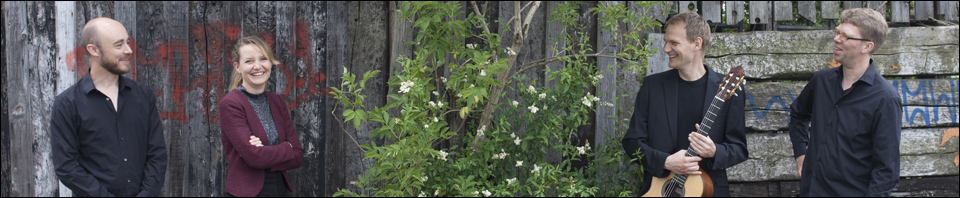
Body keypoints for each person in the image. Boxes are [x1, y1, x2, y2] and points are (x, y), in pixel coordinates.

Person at [621, 11, 747, 197]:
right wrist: (665, 161)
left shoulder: (727, 90)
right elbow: (632, 142)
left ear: (697, 43)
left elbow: (738, 149)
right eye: (666, 42)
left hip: (709, 190)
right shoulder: (652, 86)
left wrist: (714, 151)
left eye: (674, 43)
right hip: (659, 190)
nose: (665, 49)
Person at [789, 8, 901, 197]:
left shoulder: (885, 99)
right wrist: (801, 153)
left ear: (867, 46)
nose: (837, 39)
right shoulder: (821, 81)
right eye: (838, 32)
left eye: (846, 36)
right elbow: (798, 115)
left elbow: (886, 172)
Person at [50, 17, 167, 197]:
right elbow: (67, 166)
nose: (128, 50)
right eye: (118, 45)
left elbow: (156, 153)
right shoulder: (68, 104)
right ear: (93, 50)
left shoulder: (142, 95)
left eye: (127, 42)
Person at [219, 36, 304, 197]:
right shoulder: (231, 104)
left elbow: (298, 155)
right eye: (249, 61)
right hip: (247, 193)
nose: (257, 66)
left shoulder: (277, 101)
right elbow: (254, 157)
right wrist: (286, 148)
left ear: (270, 62)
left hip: (279, 190)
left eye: (263, 59)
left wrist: (265, 151)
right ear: (237, 66)